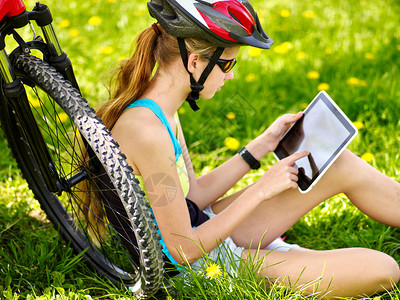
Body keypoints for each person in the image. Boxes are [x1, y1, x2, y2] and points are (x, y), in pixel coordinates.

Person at [96, 0, 400, 298]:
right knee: (383, 269)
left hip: (199, 226)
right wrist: (260, 190)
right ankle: (272, 263)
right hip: (199, 266)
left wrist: (259, 147)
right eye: (227, 64)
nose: (230, 75)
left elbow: (194, 195)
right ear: (195, 62)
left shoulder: (160, 111)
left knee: (339, 163)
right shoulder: (149, 132)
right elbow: (183, 250)